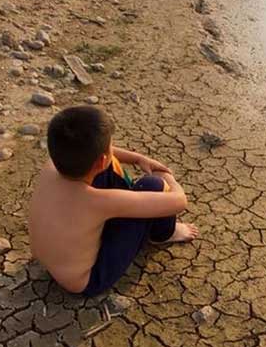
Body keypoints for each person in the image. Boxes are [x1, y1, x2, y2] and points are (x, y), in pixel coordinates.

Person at [29, 106, 199, 296]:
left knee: (107, 167)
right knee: (153, 184)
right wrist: (168, 178)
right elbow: (179, 201)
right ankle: (164, 233)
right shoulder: (98, 202)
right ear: (102, 159)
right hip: (88, 280)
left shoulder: (52, 166)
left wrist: (138, 159)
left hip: (50, 262)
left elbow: (102, 155)